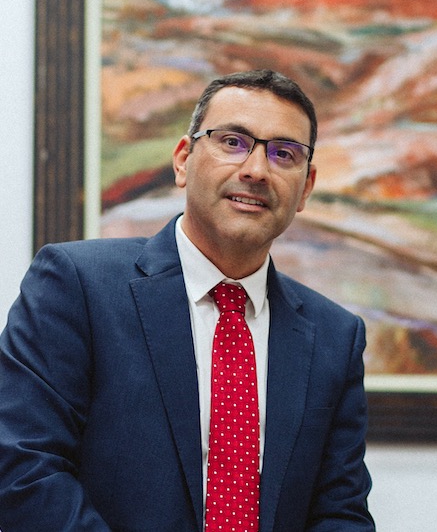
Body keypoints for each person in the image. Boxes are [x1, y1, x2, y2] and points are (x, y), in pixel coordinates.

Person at [0, 69, 375, 531]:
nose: (257, 170)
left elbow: (341, 513)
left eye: (284, 154)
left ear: (306, 187)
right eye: (232, 142)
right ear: (183, 160)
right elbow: (25, 468)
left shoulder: (336, 337)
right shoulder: (76, 285)